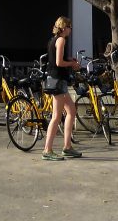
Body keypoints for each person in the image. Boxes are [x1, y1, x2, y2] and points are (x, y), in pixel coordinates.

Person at [41, 16, 82, 160]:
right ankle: (47, 150)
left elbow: (55, 59)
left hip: (57, 80)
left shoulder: (54, 40)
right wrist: (72, 64)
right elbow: (58, 62)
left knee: (71, 110)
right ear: (64, 28)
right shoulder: (61, 40)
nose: (71, 29)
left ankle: (67, 146)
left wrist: (69, 59)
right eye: (70, 27)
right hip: (58, 81)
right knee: (56, 116)